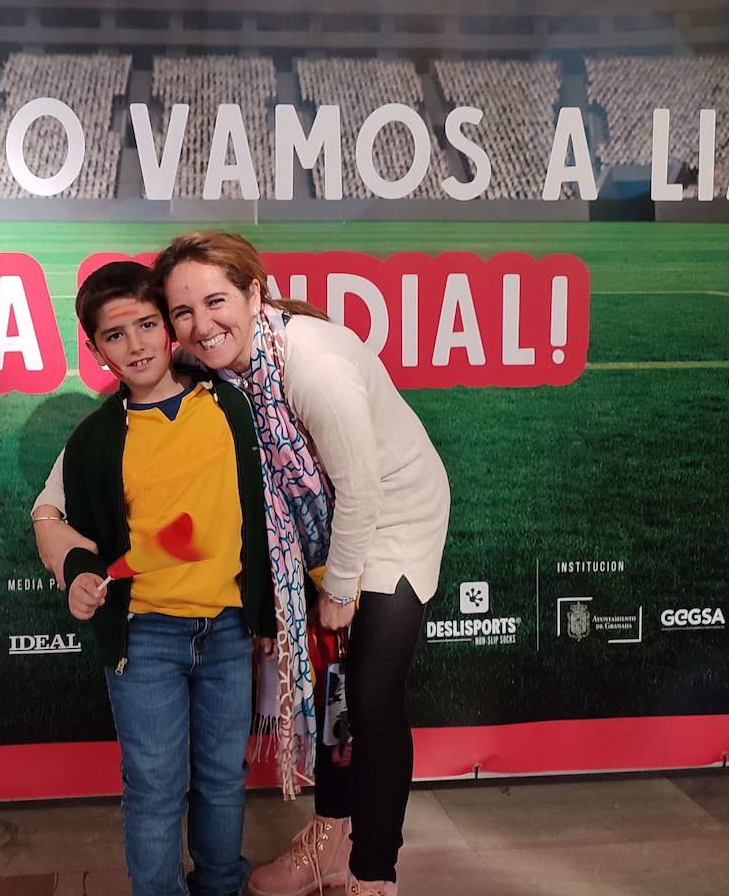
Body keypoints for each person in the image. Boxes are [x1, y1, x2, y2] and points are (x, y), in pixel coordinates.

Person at [35, 233, 449, 896]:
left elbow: (364, 489)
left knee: (369, 698)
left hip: (390, 521)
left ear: (256, 293)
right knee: (336, 692)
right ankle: (331, 839)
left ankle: (371, 871)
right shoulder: (209, 373)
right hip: (319, 532)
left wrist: (341, 586)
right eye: (183, 312)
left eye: (217, 301)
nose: (201, 325)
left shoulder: (311, 363)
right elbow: (62, 489)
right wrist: (62, 543)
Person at [47, 260, 275, 896]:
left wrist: (265, 611)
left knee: (223, 777)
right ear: (94, 350)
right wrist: (83, 575)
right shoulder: (94, 440)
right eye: (116, 335)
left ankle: (221, 883)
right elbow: (67, 526)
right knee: (154, 786)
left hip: (228, 631)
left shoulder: (229, 405)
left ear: (170, 329)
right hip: (144, 639)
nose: (138, 344)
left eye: (148, 324)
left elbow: (263, 509)